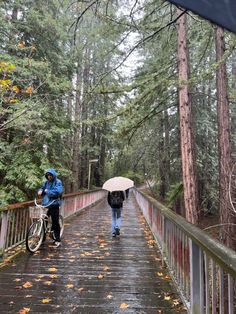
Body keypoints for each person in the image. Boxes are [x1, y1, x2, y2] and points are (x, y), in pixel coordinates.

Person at [38, 168, 63, 247]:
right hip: (46, 204)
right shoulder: (46, 182)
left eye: (50, 175)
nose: (49, 177)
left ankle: (57, 239)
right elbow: (42, 188)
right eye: (48, 175)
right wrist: (40, 191)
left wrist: (47, 191)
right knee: (44, 221)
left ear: (53, 175)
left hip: (54, 204)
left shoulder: (58, 182)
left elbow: (57, 192)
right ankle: (42, 238)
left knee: (55, 222)